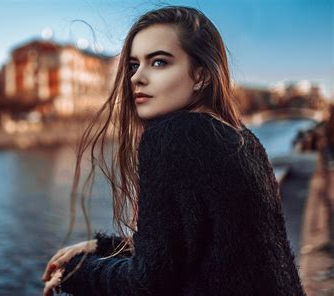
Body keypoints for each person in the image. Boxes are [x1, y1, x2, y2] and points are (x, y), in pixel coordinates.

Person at [42, 5, 306, 296]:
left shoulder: (173, 135)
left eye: (158, 63)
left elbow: (146, 284)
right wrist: (101, 246)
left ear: (201, 76)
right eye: (133, 65)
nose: (136, 78)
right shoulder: (242, 138)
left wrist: (75, 271)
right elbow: (188, 248)